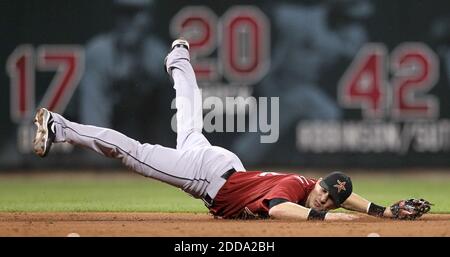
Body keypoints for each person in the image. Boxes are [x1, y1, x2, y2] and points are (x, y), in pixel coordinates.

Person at [32, 38, 430, 221]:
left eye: (328, 198)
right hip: (207, 176)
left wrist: (382, 211)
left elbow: (343, 192)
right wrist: (321, 220)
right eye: (325, 193)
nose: (324, 199)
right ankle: (60, 127)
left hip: (227, 167)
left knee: (189, 116)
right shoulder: (294, 191)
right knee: (131, 152)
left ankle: (178, 57)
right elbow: (277, 208)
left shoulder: (309, 184)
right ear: (316, 187)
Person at [232, 0, 374, 165]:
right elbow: (268, 12)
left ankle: (314, 163)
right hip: (278, 83)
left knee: (326, 115)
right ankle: (237, 165)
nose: (350, 20)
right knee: (259, 137)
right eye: (348, 14)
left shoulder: (349, 36)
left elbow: (345, 53)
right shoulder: (302, 18)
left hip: (303, 87)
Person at [79, 0, 167, 140]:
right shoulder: (99, 52)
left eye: (137, 13)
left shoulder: (159, 56)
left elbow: (165, 122)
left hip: (148, 146)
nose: (132, 21)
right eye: (124, 13)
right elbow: (93, 124)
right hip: (108, 144)